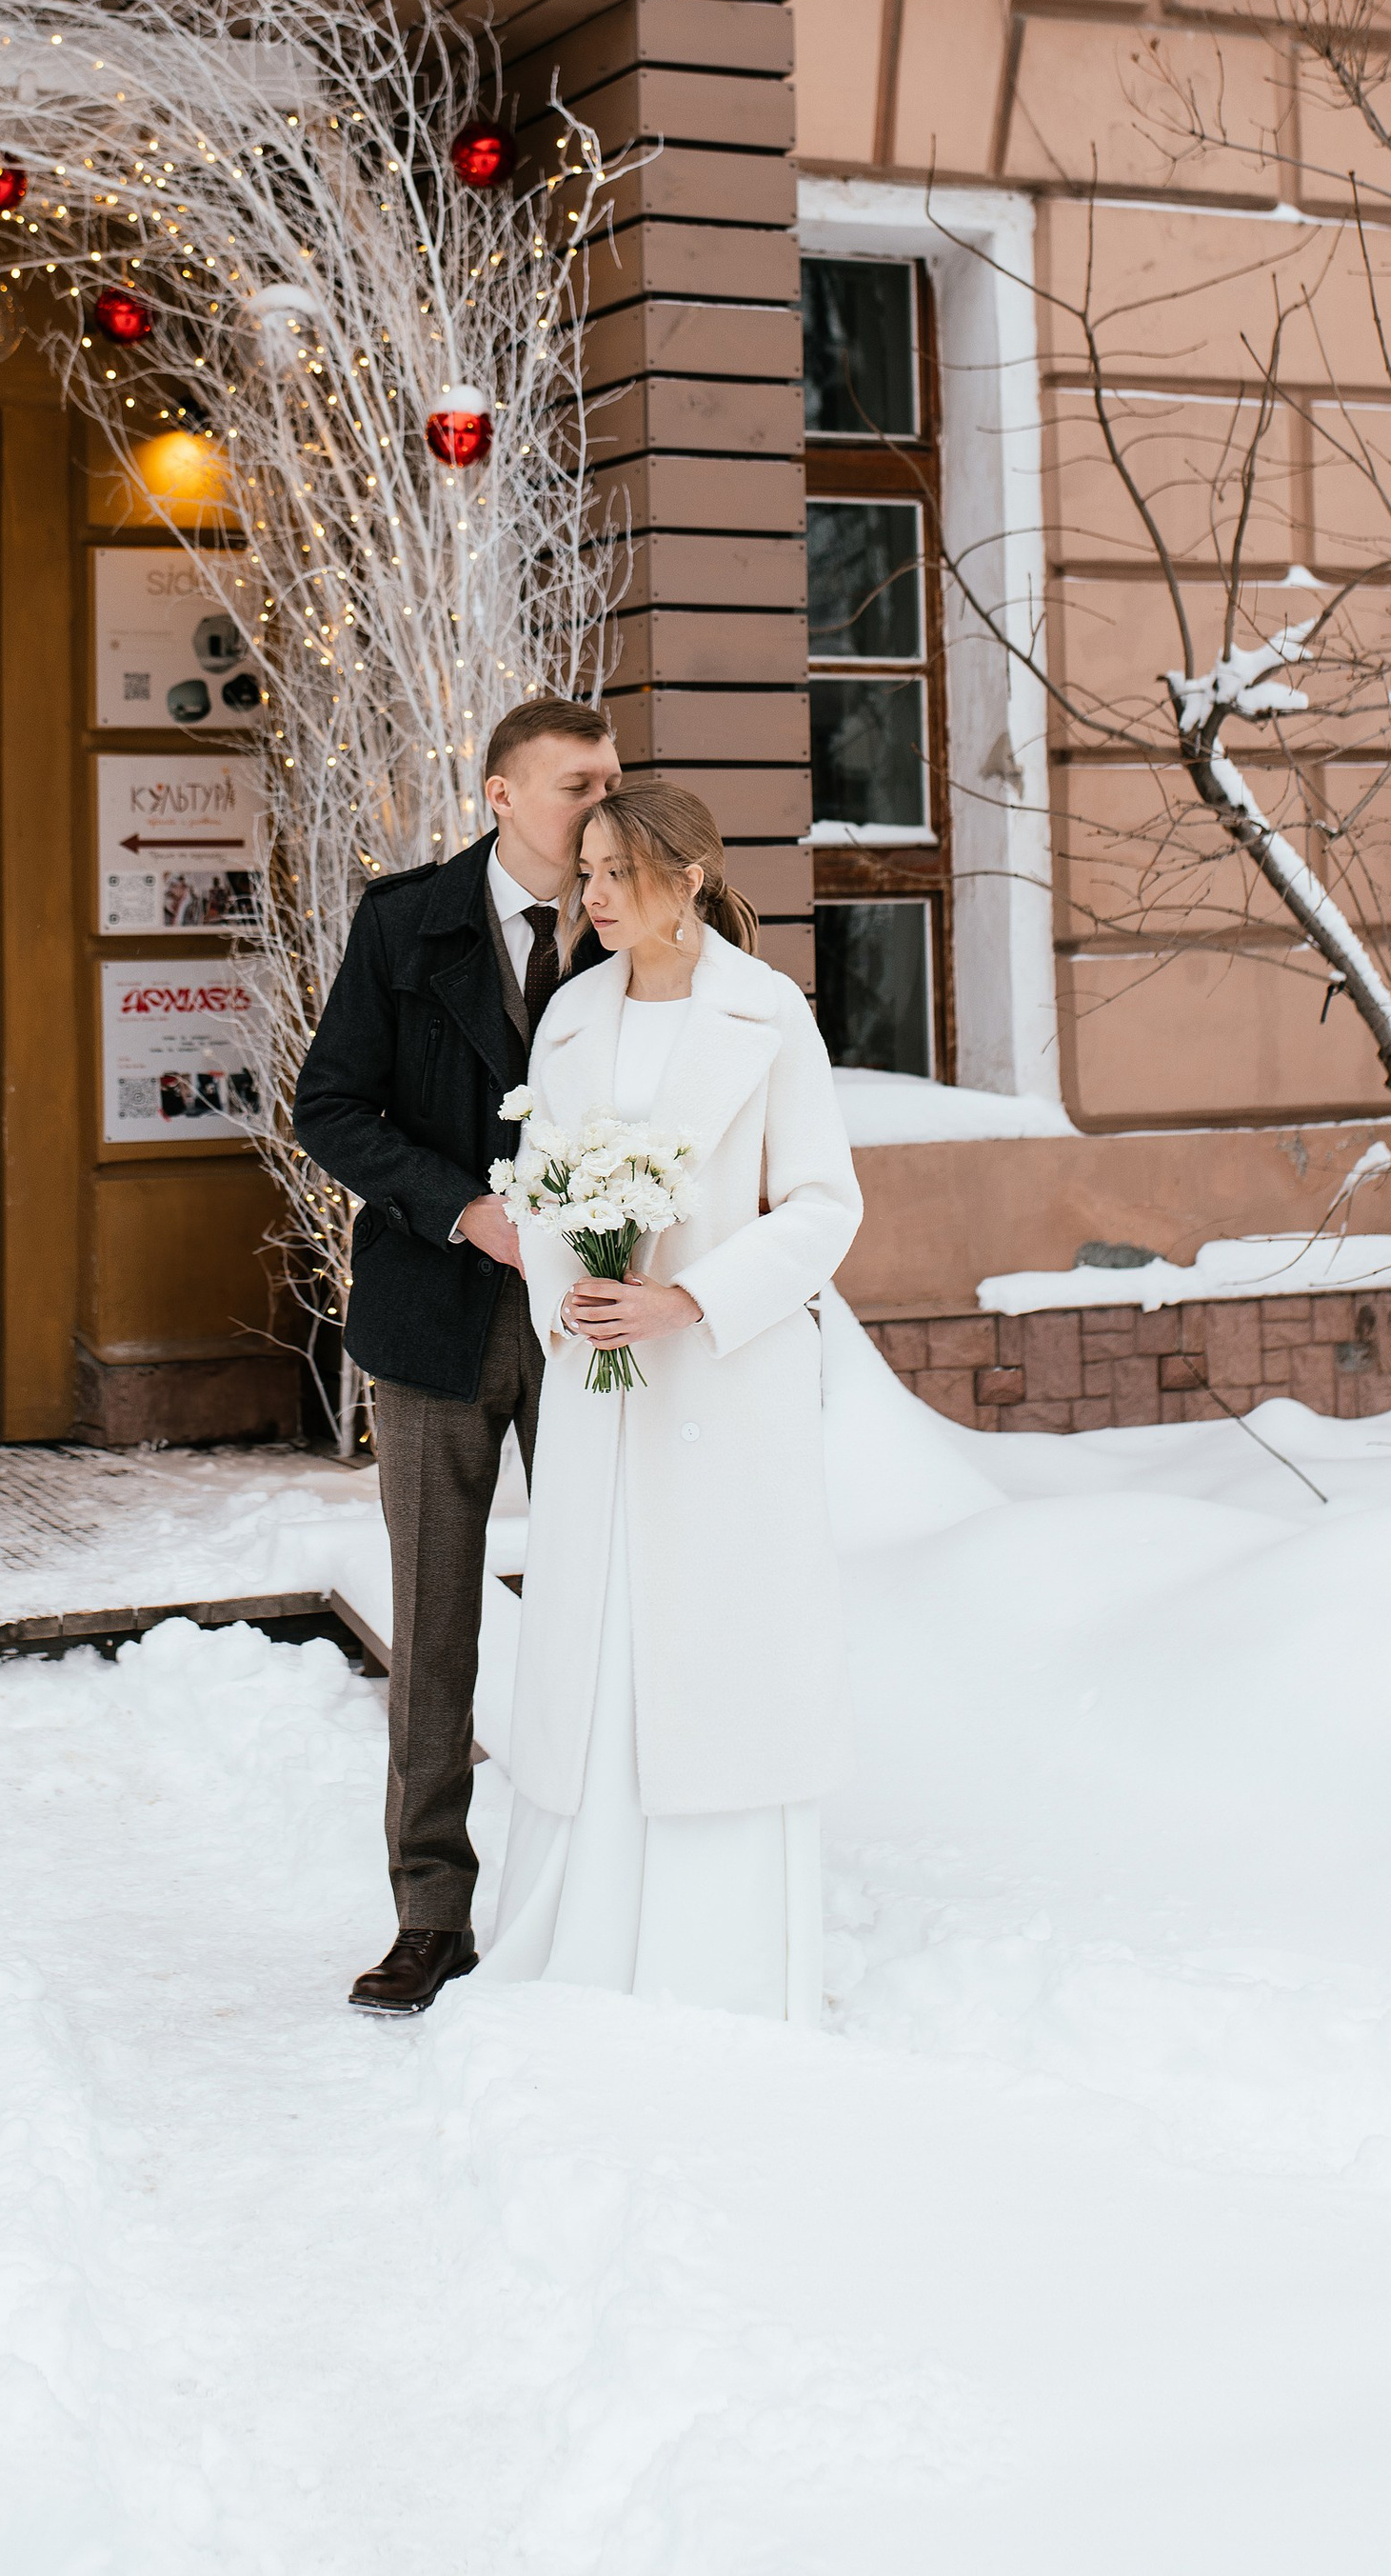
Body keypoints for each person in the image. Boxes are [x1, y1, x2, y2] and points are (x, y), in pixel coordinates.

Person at [480, 782, 862, 2025]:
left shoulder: (769, 1013)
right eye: (579, 871)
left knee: (714, 1656)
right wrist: (575, 1299)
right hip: (601, 1394)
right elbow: (540, 1194)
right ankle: (582, 1939)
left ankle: (724, 1956)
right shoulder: (573, 1017)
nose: (582, 896)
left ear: (686, 877)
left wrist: (688, 1300)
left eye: (609, 874)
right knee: (599, 1648)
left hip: (723, 1393)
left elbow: (821, 1207)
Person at [293, 695, 622, 2016]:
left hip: (584, 1324)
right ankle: (432, 1913)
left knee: (600, 1604)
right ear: (498, 792)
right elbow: (330, 1106)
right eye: (574, 785)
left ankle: (594, 1890)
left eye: (612, 781)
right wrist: (456, 1206)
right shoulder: (402, 920)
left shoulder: (633, 925)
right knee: (435, 1624)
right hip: (433, 1318)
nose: (600, 804)